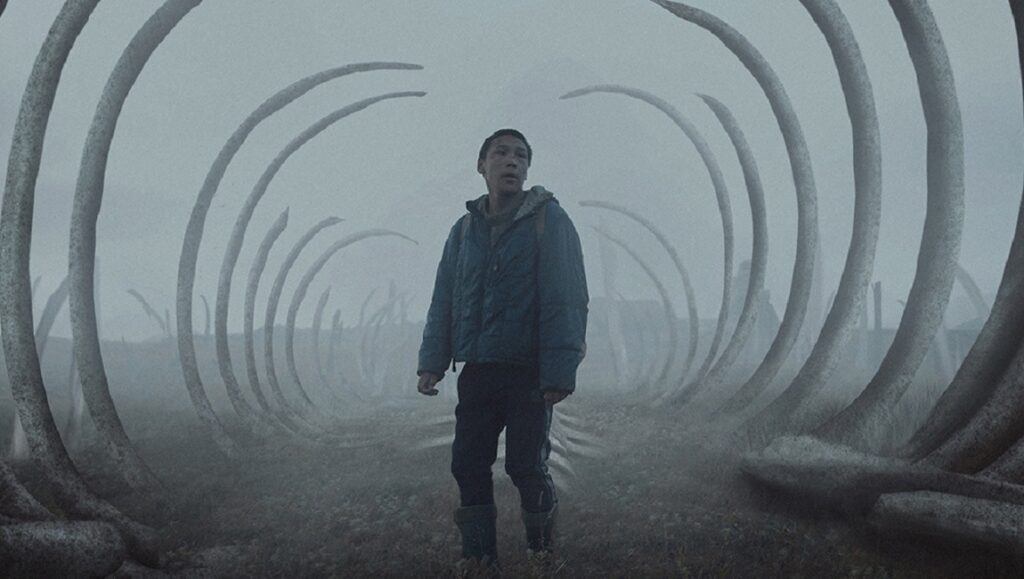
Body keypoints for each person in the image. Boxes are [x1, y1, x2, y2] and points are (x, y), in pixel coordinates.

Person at [416, 128, 589, 569]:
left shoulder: (550, 220)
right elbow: (445, 298)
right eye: (501, 153)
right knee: (467, 463)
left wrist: (558, 371)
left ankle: (542, 555)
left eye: (521, 155)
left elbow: (565, 296)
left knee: (525, 467)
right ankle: (478, 559)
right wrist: (432, 362)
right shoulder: (462, 231)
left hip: (529, 373)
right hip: (477, 370)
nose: (512, 161)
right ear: (482, 165)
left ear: (528, 168)